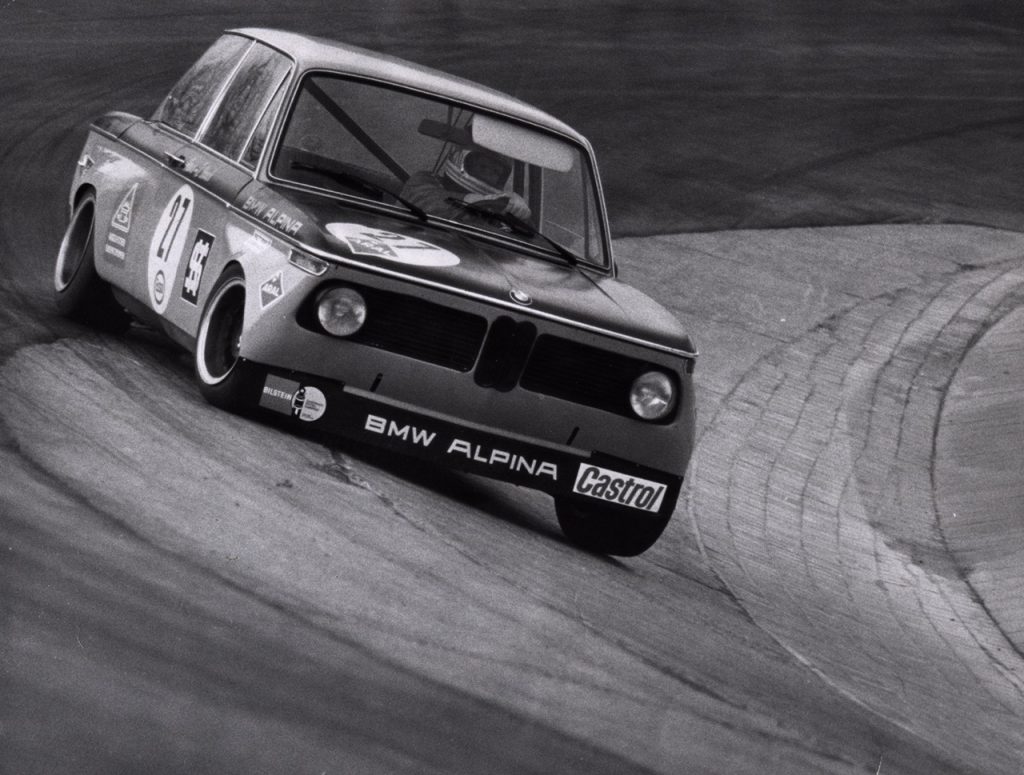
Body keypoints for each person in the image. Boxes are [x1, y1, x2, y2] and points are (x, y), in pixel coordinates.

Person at [401, 146, 531, 223]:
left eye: (495, 172)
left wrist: (519, 213)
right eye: (482, 166)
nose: (488, 174)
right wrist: (472, 200)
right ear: (460, 158)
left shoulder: (495, 210)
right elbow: (423, 201)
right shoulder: (423, 180)